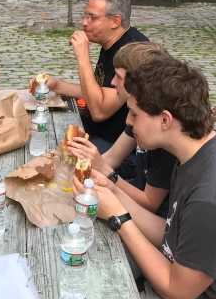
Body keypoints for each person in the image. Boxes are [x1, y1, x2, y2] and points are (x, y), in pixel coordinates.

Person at [75, 57, 216, 299]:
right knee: (89, 277)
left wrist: (119, 218)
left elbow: (177, 290)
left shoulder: (213, 195)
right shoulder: (200, 152)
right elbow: (170, 234)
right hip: (199, 291)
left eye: (135, 114)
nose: (128, 124)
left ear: (166, 119)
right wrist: (113, 192)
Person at [67, 42, 176, 216]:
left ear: (137, 82)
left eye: (118, 76)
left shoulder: (157, 130)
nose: (112, 82)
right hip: (131, 192)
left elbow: (150, 204)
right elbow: (111, 157)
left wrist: (107, 174)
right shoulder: (137, 114)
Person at [47, 0, 148, 151]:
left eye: (92, 17)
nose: (84, 23)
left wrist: (83, 58)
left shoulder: (132, 52)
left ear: (115, 21)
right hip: (95, 131)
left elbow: (99, 111)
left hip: (114, 145)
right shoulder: (111, 42)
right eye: (85, 16)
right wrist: (57, 85)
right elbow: (97, 91)